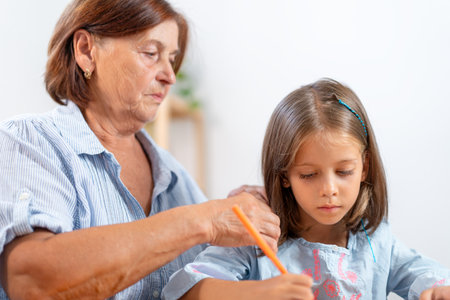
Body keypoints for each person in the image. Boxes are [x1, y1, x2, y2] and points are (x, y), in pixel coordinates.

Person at [0, 0, 281, 299]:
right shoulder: (29, 141)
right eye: (150, 53)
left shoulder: (173, 175)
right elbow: (30, 280)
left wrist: (237, 227)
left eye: (171, 59)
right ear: (85, 50)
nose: (169, 76)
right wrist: (205, 220)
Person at [162, 78, 450, 300]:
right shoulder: (256, 237)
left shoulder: (375, 242)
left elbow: (427, 275)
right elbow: (184, 289)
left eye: (344, 172)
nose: (329, 189)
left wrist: (437, 289)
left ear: (365, 167)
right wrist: (260, 293)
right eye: (309, 174)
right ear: (285, 174)